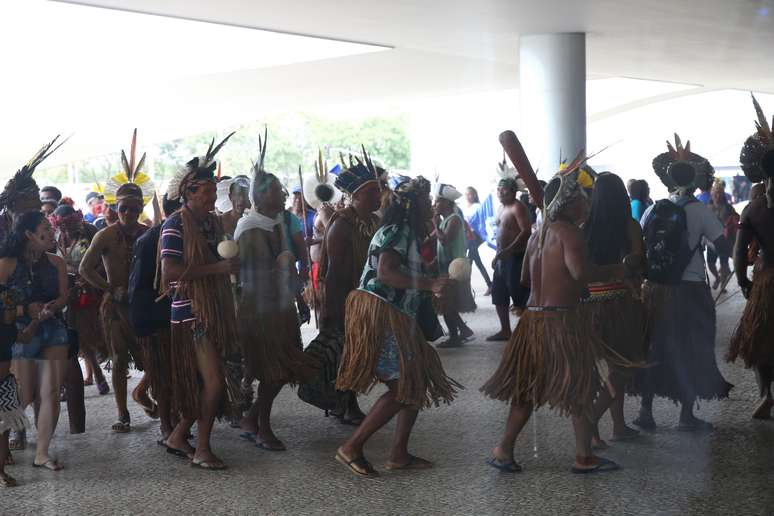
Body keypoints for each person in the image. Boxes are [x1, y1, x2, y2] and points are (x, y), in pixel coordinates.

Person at [482, 158, 621, 474]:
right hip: (561, 322)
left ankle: (503, 449)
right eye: (582, 198)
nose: (586, 203)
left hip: (532, 320)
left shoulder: (537, 233)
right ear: (570, 203)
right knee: (582, 386)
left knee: (527, 388)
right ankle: (584, 456)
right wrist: (616, 269)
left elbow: (525, 281)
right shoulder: (570, 234)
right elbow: (581, 273)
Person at [335, 176, 461, 478]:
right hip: (381, 312)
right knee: (403, 385)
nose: (430, 207)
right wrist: (430, 283)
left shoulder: (408, 234)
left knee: (413, 381)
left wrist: (433, 282)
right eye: (424, 202)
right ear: (411, 206)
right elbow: (387, 273)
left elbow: (405, 273)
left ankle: (399, 454)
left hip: (396, 313)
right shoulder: (397, 231)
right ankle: (351, 447)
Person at [635, 136, 733, 431]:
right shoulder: (699, 210)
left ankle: (646, 412)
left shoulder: (654, 209)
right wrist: (723, 263)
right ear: (693, 180)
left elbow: (641, 246)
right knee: (692, 347)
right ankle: (686, 416)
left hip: (655, 289)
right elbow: (722, 246)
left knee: (654, 345)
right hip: (690, 289)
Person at [160, 133, 239, 469]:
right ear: (188, 194)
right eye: (206, 192)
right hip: (191, 314)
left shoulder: (211, 223)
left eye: (212, 191)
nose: (211, 198)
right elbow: (169, 273)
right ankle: (202, 449)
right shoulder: (174, 226)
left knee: (206, 381)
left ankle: (179, 436)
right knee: (213, 382)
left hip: (214, 310)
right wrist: (217, 268)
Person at [299, 162, 382, 425]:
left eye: (378, 191)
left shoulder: (374, 222)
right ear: (355, 196)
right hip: (345, 300)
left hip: (367, 299)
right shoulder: (342, 226)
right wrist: (333, 312)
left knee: (359, 352)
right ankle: (346, 404)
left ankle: (344, 402)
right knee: (347, 352)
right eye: (371, 193)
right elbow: (333, 275)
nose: (378, 197)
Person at [581, 172, 647, 446]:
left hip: (589, 307)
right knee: (623, 369)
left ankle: (617, 426)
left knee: (611, 368)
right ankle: (591, 421)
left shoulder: (585, 228)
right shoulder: (629, 225)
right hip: (620, 303)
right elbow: (640, 264)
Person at [79, 183, 150, 432]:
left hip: (142, 305)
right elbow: (84, 268)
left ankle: (143, 392)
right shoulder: (106, 235)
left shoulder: (149, 233)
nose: (128, 213)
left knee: (152, 357)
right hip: (116, 307)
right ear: (115, 208)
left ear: (141, 208)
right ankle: (122, 414)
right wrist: (110, 288)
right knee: (119, 359)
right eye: (123, 209)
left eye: (133, 208)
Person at [3, 211, 69, 471]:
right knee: (24, 395)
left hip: (53, 329)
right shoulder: (7, 264)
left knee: (51, 391)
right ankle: (5, 443)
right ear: (29, 234)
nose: (51, 232)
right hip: (21, 333)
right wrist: (23, 311)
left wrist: (54, 306)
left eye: (50, 227)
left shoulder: (56, 263)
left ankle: (42, 452)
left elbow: (65, 296)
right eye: (45, 228)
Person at [727, 98, 774, 419]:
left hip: (767, 279)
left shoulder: (754, 208)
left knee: (762, 339)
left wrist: (743, 281)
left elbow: (737, 252)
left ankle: (765, 393)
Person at [128, 194, 182, 442]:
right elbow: (138, 286)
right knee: (162, 372)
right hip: (156, 317)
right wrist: (142, 325)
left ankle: (176, 418)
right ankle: (166, 425)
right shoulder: (149, 240)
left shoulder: (192, 232)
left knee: (177, 371)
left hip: (182, 314)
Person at [50, 205, 109, 395]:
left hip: (90, 291)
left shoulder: (90, 232)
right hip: (67, 292)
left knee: (92, 333)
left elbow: (104, 261)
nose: (66, 229)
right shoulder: (55, 238)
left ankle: (102, 369)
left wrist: (90, 277)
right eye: (61, 225)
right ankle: (96, 374)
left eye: (69, 224)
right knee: (75, 334)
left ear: (77, 220)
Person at [486, 178, 531, 341]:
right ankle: (505, 330)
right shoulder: (500, 208)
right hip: (502, 258)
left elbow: (526, 231)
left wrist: (509, 250)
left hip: (515, 257)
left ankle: (528, 331)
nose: (500, 192)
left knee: (519, 296)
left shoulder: (517, 207)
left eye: (504, 189)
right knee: (499, 294)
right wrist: (497, 256)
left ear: (513, 191)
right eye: (498, 189)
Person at [432, 183, 475, 348]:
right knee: (447, 304)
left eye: (438, 202)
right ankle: (461, 332)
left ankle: (458, 334)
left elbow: (444, 240)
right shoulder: (447, 220)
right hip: (447, 266)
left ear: (448, 203)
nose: (435, 205)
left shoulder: (455, 219)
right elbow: (435, 240)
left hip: (455, 268)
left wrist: (435, 224)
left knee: (447, 304)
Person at [707, 179, 738, 291]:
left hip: (724, 241)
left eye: (720, 192)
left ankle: (723, 285)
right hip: (711, 241)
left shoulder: (728, 207)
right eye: (715, 192)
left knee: (724, 264)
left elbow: (736, 219)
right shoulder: (707, 208)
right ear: (712, 193)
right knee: (710, 264)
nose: (717, 195)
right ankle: (717, 277)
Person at [462, 187, 492, 295]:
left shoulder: (477, 207)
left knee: (470, 261)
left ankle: (467, 289)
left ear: (474, 195)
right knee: (474, 261)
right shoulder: (466, 207)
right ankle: (489, 284)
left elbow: (481, 223)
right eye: (466, 194)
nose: (467, 196)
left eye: (469, 194)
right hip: (467, 236)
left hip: (474, 236)